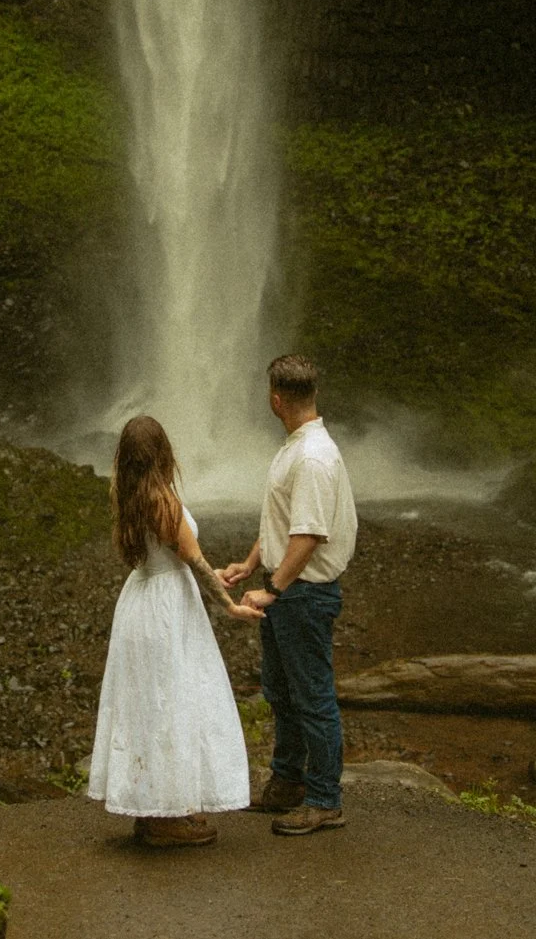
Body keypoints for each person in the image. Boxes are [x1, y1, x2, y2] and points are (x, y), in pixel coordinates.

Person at [88, 415, 265, 847]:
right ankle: (165, 821)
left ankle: (153, 811)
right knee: (172, 703)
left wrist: (216, 577)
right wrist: (230, 607)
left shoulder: (128, 495)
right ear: (163, 452)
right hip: (166, 609)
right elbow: (193, 558)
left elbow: (178, 559)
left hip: (142, 599)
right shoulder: (161, 499)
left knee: (148, 704)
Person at [220, 354, 358, 836]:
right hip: (287, 588)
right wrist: (251, 564)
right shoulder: (297, 448)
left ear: (276, 399)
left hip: (304, 593)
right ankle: (287, 782)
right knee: (281, 691)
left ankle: (325, 799)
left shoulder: (313, 457)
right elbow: (285, 521)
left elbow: (310, 535)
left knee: (312, 696)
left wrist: (273, 590)